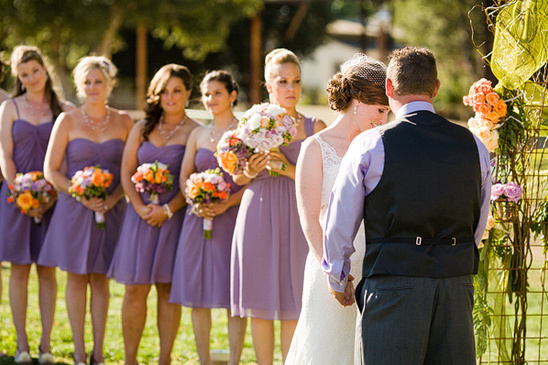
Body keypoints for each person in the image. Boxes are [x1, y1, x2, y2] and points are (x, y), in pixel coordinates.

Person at [323, 47, 492, 364]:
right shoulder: (474, 144)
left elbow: (339, 221)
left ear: (388, 88)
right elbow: (480, 221)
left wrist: (337, 275)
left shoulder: (371, 144)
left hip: (393, 281)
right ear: (436, 88)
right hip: (456, 283)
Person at [286, 54, 389, 365]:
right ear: (357, 100)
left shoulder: (380, 145)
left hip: (373, 265)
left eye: (388, 110)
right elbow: (309, 220)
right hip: (329, 263)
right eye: (380, 109)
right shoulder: (315, 147)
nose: (384, 118)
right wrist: (335, 273)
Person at [230, 48, 326, 365]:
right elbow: (238, 177)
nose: (291, 88)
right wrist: (249, 167)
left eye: (296, 81)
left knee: (293, 300)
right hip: (257, 212)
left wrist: (285, 167)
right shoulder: (249, 123)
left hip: (299, 215)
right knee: (259, 301)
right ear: (269, 85)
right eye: (282, 81)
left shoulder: (316, 126)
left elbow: (325, 181)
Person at [38, 56, 133, 365]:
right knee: (77, 279)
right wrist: (80, 194)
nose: (93, 87)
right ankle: (79, 351)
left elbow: (129, 171)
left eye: (99, 81)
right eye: (87, 82)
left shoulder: (124, 121)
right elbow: (51, 171)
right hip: (74, 211)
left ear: (108, 84)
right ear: (79, 86)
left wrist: (115, 197)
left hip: (111, 209)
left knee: (100, 279)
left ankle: (98, 351)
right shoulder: (67, 121)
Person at [108, 64, 199, 365]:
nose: (170, 97)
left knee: (167, 291)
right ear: (155, 95)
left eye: (176, 90)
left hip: (174, 220)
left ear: (188, 92)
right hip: (140, 217)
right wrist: (138, 207)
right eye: (164, 91)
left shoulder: (194, 131)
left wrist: (168, 210)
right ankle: (130, 360)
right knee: (135, 290)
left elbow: (193, 180)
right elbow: (126, 171)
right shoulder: (141, 127)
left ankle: (164, 359)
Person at [0, 45, 75, 364]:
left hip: (53, 199)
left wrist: (50, 193)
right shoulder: (10, 107)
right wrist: (19, 190)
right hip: (16, 197)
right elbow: (4, 153)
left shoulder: (65, 108)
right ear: (18, 77)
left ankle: (45, 346)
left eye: (36, 71)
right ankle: (22, 346)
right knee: (18, 270)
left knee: (47, 271)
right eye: (24, 74)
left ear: (45, 70)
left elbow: (68, 158)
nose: (31, 78)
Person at [169, 70, 247, 365]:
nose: (210, 99)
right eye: (206, 94)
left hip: (234, 218)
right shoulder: (198, 133)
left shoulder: (244, 131)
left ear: (232, 95)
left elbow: (252, 179)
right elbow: (185, 176)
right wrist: (194, 198)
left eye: (217, 93)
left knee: (233, 295)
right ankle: (203, 360)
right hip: (197, 219)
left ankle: (235, 360)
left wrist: (227, 203)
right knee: (197, 290)